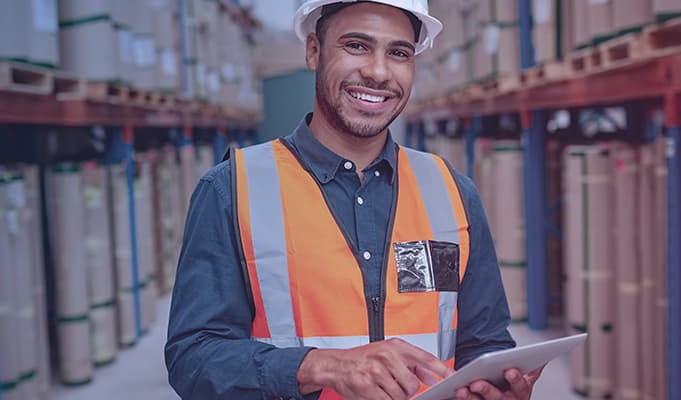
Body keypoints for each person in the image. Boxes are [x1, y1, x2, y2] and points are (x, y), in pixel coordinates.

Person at [165, 1, 543, 399]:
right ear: (314, 51)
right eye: (357, 46)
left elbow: (483, 343)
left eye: (399, 53)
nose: (378, 72)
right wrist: (319, 366)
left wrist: (494, 387)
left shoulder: (452, 191)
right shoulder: (232, 189)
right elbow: (193, 360)